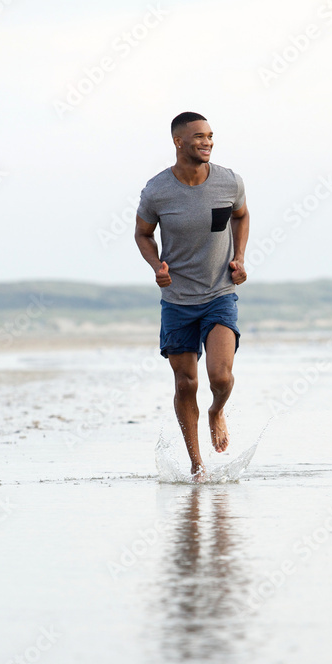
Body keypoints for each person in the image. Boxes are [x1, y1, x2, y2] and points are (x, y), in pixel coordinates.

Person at [134, 112, 250, 479]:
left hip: (219, 293)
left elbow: (241, 216)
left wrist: (240, 257)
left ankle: (217, 410)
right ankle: (197, 464)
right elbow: (142, 234)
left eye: (211, 136)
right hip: (178, 301)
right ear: (178, 142)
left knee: (220, 377)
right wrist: (157, 265)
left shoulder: (229, 182)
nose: (207, 142)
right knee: (186, 383)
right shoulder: (157, 190)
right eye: (199, 136)